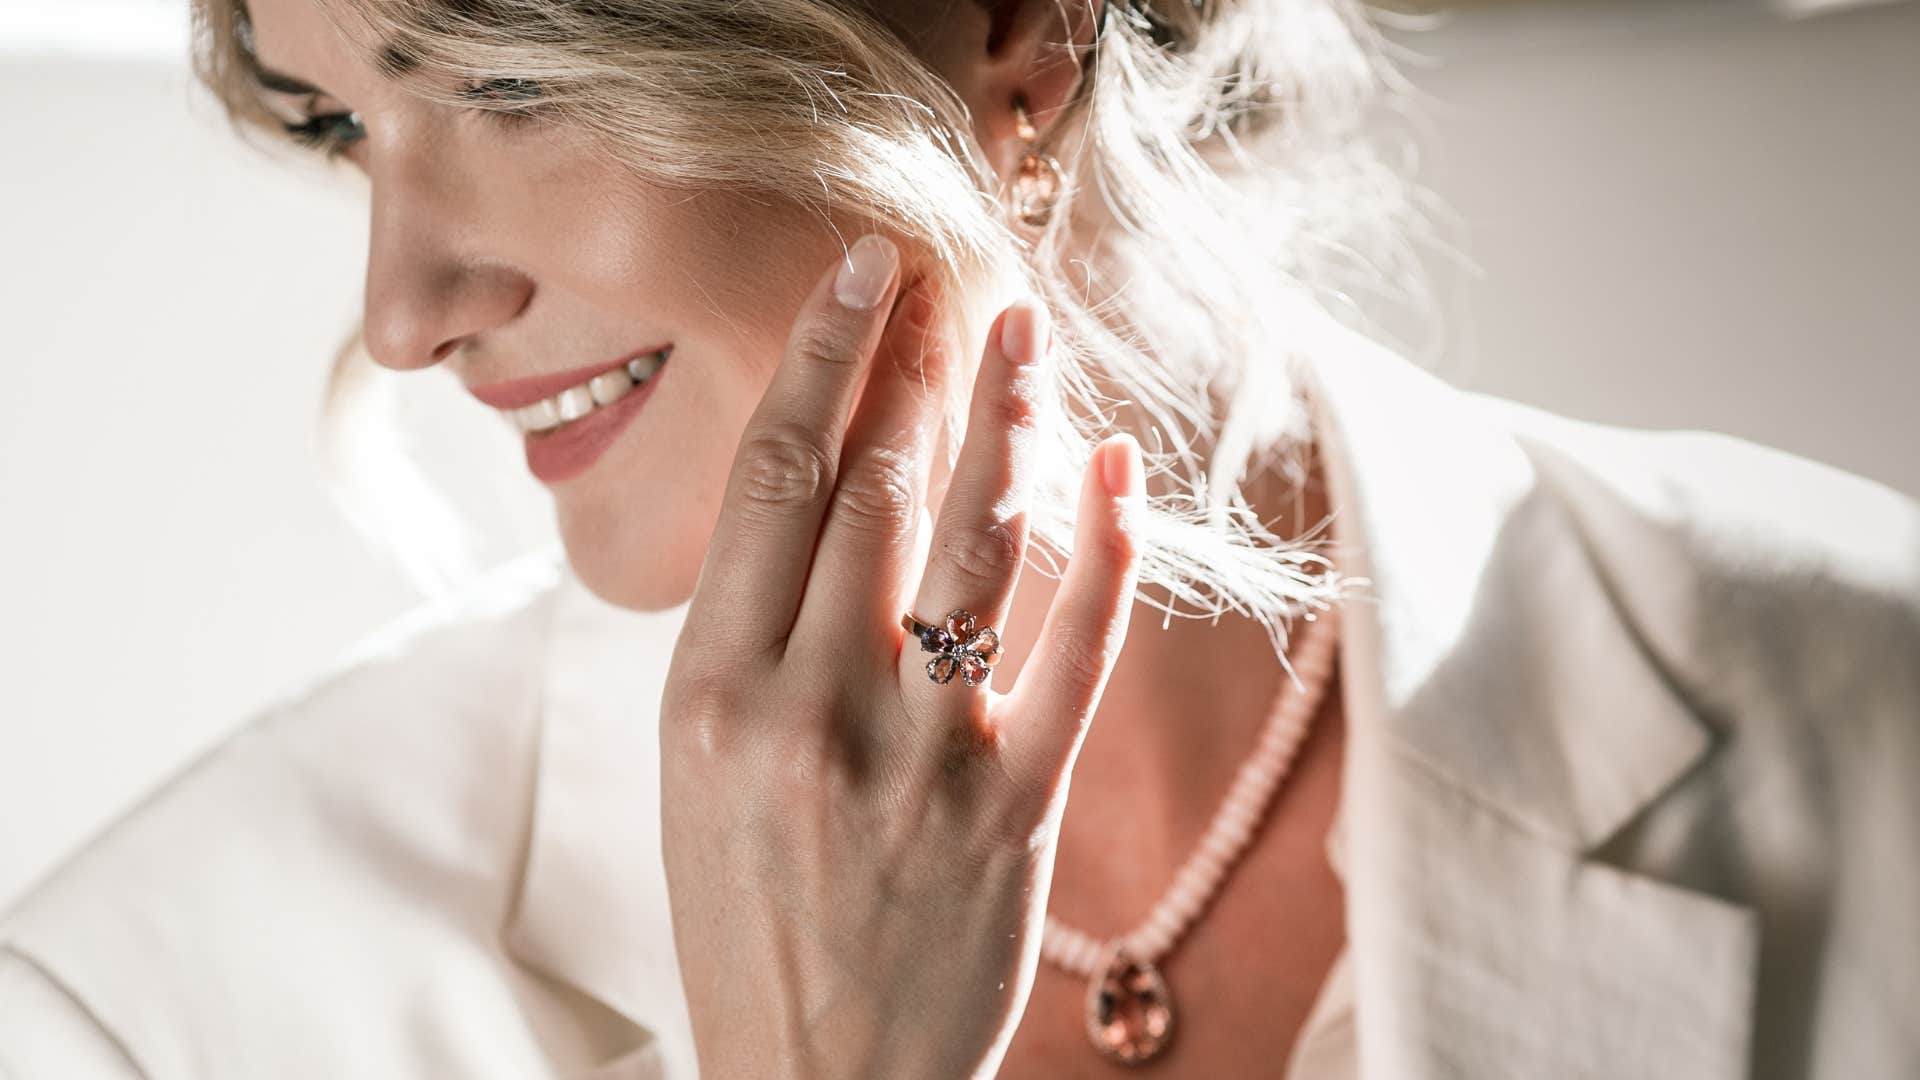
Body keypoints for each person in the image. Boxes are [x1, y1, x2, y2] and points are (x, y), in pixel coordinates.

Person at [2, 0, 1916, 1074]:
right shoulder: (156, 1011)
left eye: (511, 82)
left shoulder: (1873, 701)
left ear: (1018, 26)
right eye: (341, 125)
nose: (405, 305)